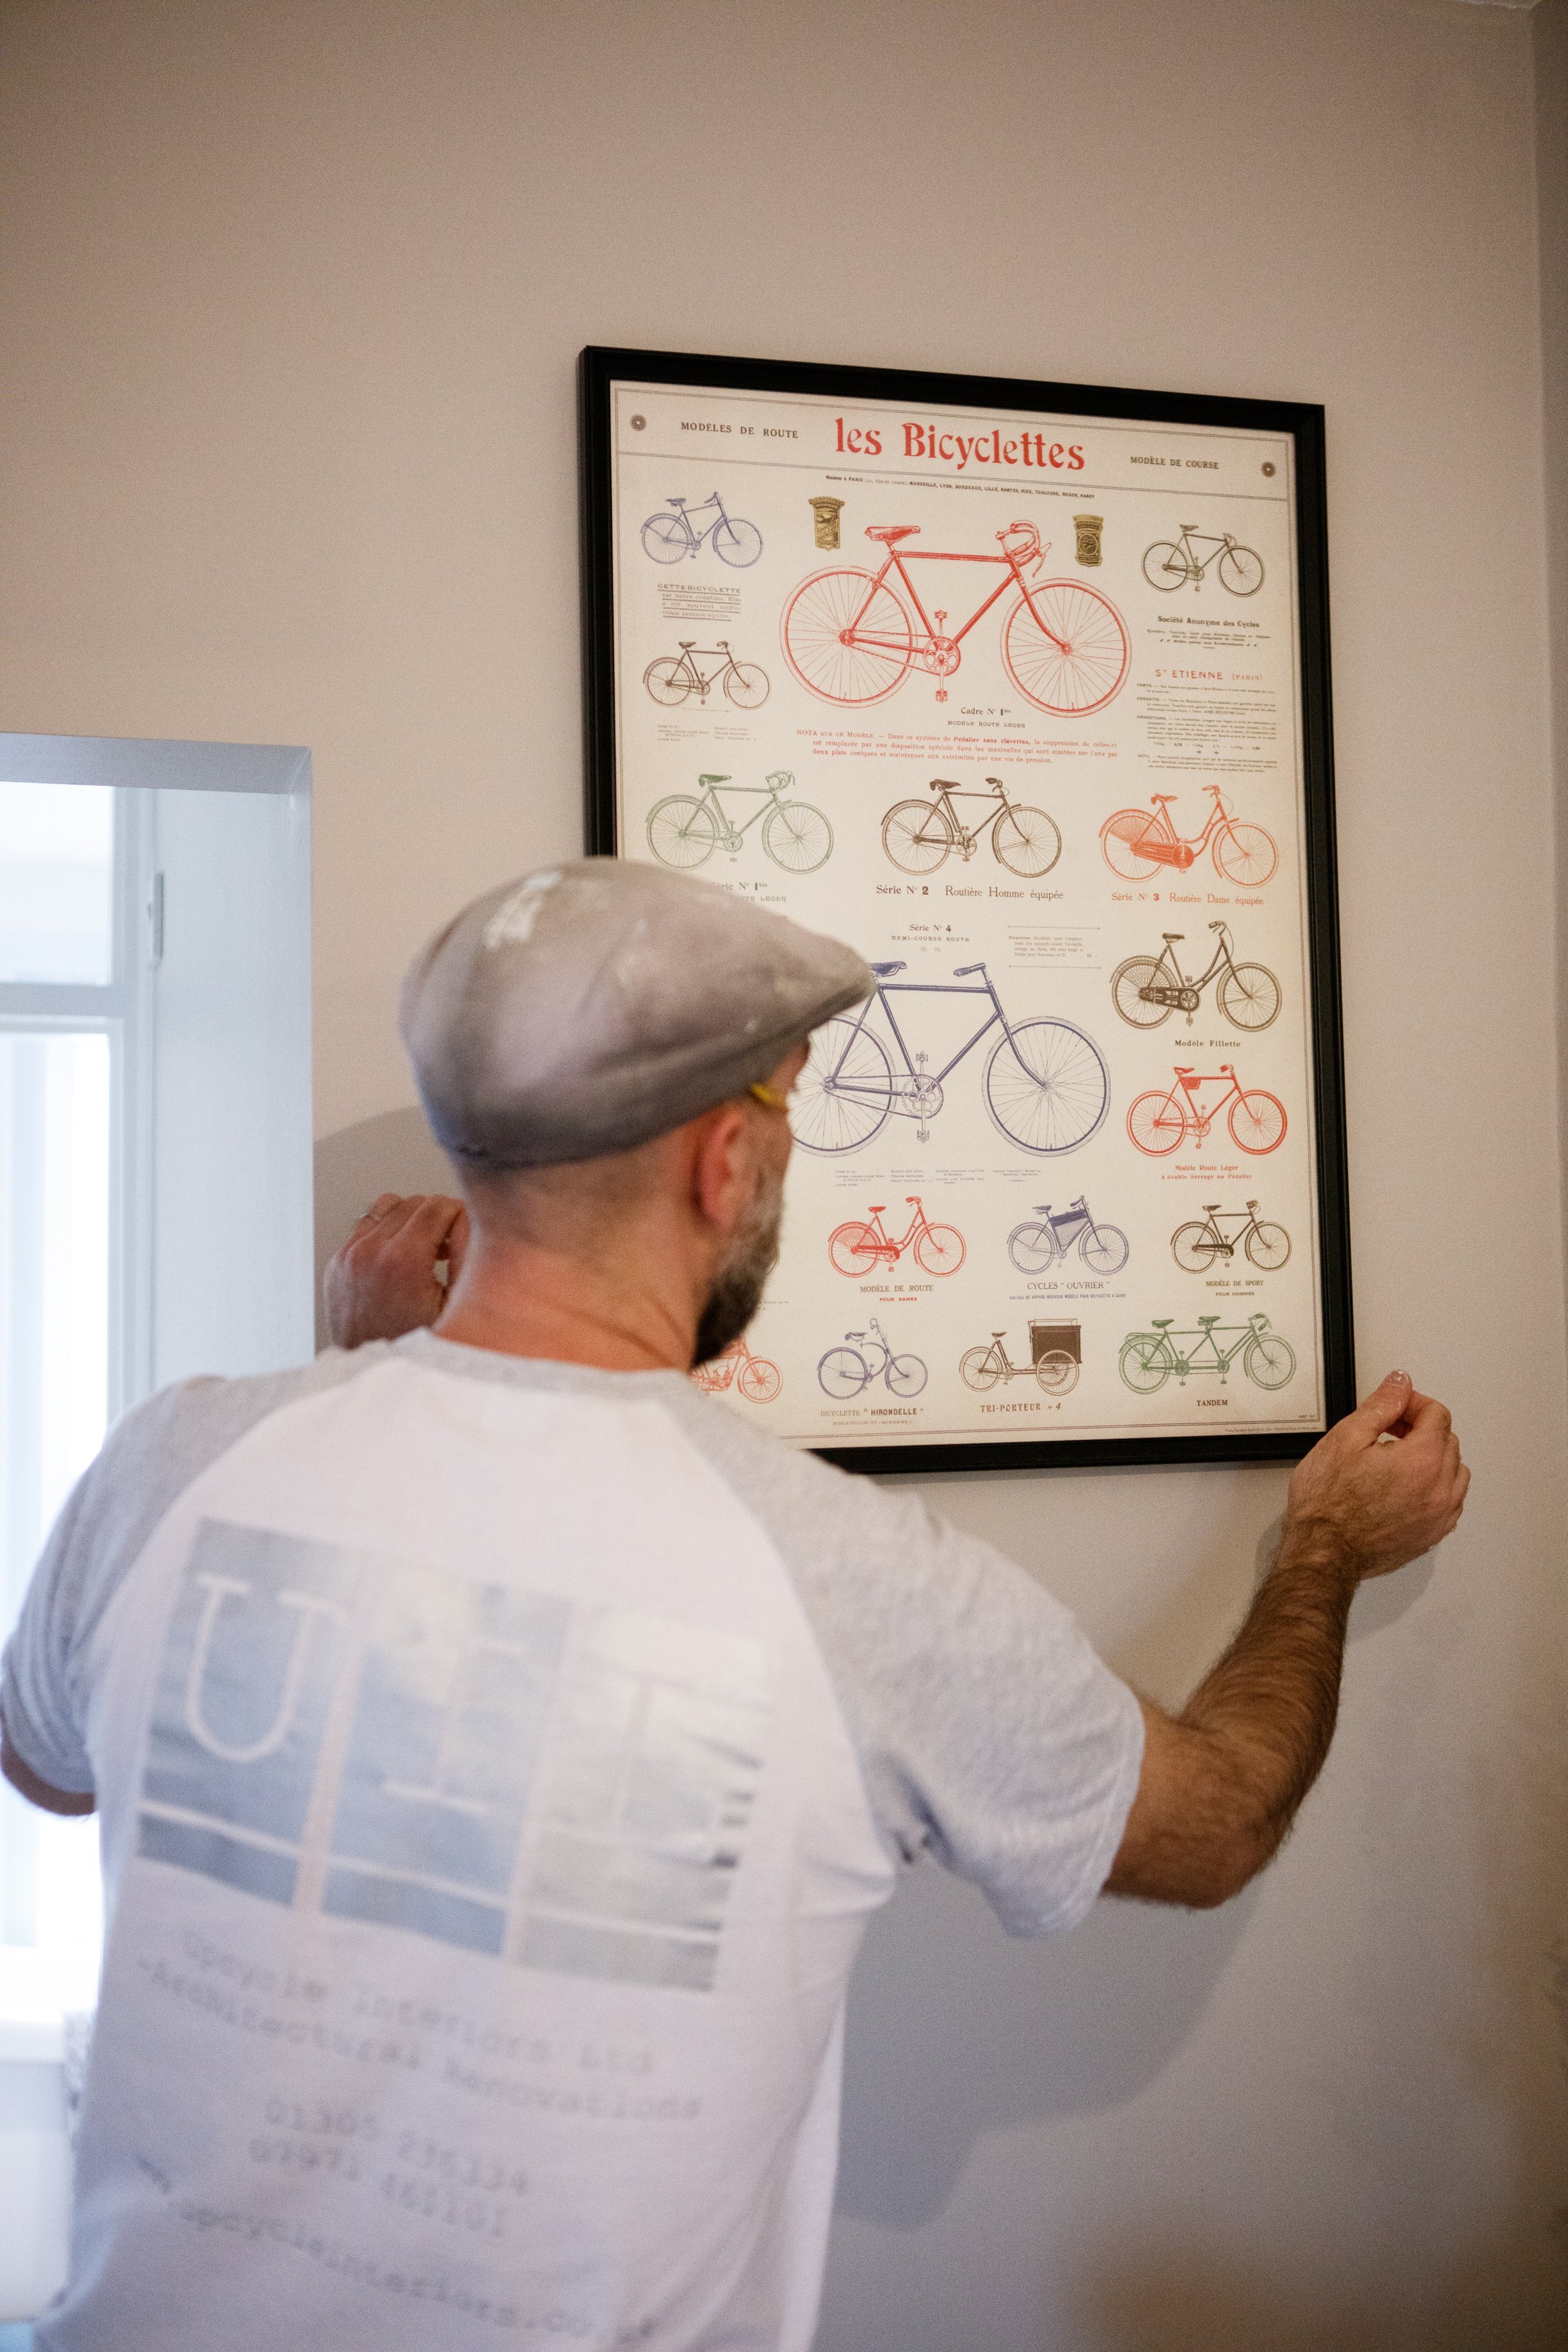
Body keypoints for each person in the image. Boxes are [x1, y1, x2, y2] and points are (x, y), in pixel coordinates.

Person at [1, 860, 1467, 2352]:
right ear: (721, 1162)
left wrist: (365, 1387)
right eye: (787, 1109)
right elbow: (1216, 1826)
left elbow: (47, 1763)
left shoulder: (177, 1457)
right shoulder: (854, 1583)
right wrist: (1323, 1549)